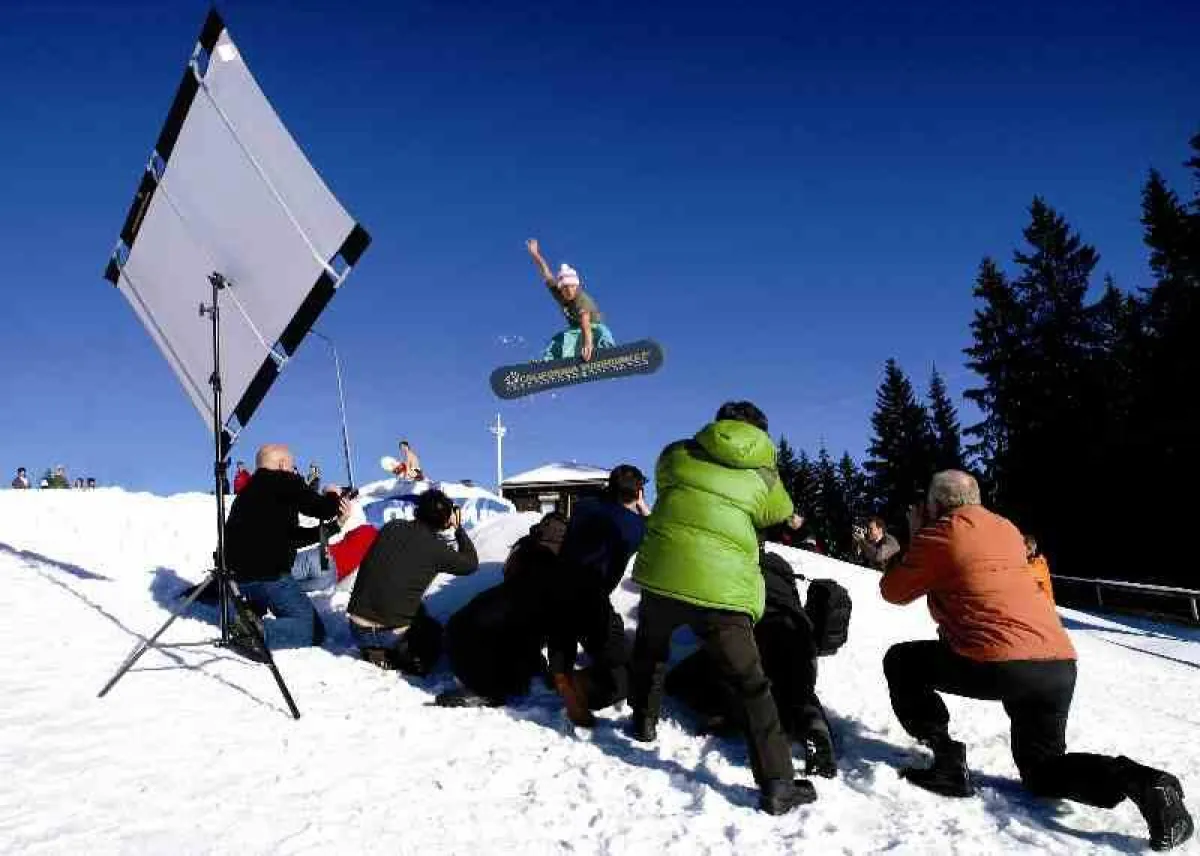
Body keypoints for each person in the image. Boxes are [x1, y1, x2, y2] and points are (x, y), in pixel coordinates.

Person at [880, 470, 1193, 851]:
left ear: (937, 504)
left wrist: (914, 533)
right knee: (1042, 771)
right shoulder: (1008, 530)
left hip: (999, 661)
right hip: (1057, 662)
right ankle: (1144, 783)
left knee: (902, 661)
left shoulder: (942, 532)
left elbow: (893, 591)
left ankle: (946, 759)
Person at [627, 400, 816, 815]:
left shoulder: (677, 452)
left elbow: (664, 482)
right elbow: (779, 514)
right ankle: (778, 784)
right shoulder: (765, 474)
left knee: (651, 648)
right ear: (762, 434)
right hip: (723, 588)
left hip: (664, 572)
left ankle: (642, 721)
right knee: (752, 684)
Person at [666, 533, 837, 777]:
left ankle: (729, 712)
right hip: (799, 639)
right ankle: (812, 723)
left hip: (754, 636)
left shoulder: (723, 564)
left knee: (682, 679)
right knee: (797, 691)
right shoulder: (779, 564)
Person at [547, 464, 650, 726]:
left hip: (558, 585)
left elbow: (597, 500)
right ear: (638, 493)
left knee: (563, 633)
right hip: (590, 597)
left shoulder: (585, 507)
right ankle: (580, 687)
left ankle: (560, 677)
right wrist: (644, 510)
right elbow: (654, 534)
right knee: (623, 668)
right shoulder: (632, 526)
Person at [223, 444, 346, 658]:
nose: (294, 471)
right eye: (292, 466)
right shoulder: (284, 480)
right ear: (281, 465)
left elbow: (290, 537)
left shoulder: (245, 495)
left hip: (240, 582)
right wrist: (333, 495)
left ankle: (251, 615)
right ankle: (255, 632)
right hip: (270, 578)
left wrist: (336, 526)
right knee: (313, 631)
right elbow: (323, 508)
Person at [436, 512, 569, 708]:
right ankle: (518, 675)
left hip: (522, 605)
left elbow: (510, 574)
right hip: (528, 609)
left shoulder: (527, 545)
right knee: (489, 629)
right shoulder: (563, 551)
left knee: (466, 627)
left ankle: (488, 691)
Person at [345, 490, 479, 673]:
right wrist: (459, 529)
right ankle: (409, 659)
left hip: (357, 629)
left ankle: (375, 650)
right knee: (435, 632)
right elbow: (471, 564)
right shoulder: (437, 549)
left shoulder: (391, 527)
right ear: (446, 519)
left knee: (417, 608)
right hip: (392, 634)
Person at [526, 238, 616, 362]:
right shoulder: (558, 292)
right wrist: (535, 254)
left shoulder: (581, 299)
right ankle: (547, 364)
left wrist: (588, 344)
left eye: (572, 287)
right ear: (560, 288)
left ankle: (607, 353)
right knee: (558, 340)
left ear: (577, 286)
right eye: (565, 288)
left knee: (602, 334)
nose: (569, 291)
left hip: (593, 327)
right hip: (576, 330)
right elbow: (545, 272)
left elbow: (585, 324)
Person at [1024, 534, 1055, 604]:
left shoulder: (1040, 563)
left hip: (1045, 606)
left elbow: (1028, 572)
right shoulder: (1030, 561)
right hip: (1036, 602)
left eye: (1029, 549)